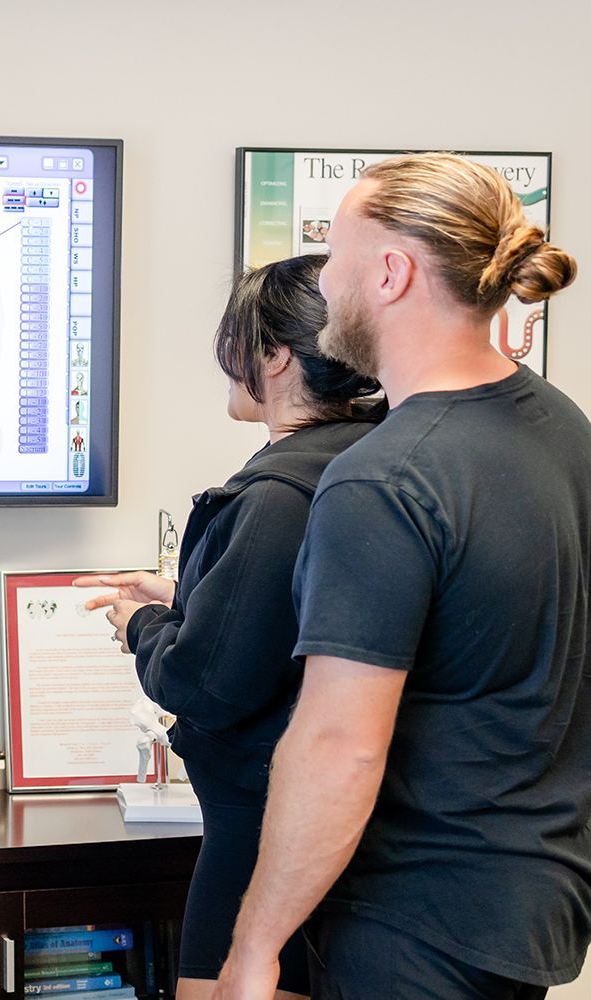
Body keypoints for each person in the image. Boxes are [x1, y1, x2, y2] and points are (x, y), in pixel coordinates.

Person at [214, 154, 588, 1000]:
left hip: (412, 923)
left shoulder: (385, 477)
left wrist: (255, 946)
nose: (328, 282)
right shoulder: (560, 425)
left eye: (336, 255)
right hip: (527, 904)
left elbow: (340, 746)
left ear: (390, 273)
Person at [76, 253, 382, 1000]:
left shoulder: (277, 493)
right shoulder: (366, 461)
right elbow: (304, 619)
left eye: (237, 344)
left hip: (261, 833)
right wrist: (188, 595)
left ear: (275, 357)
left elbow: (203, 681)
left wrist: (142, 622)